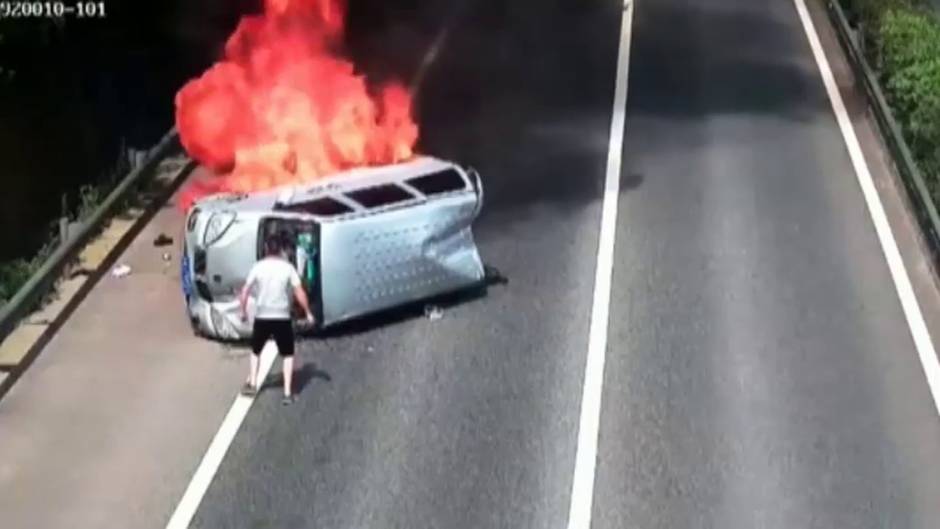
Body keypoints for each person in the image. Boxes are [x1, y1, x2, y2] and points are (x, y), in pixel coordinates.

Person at [239, 236, 314, 405]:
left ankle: (252, 384)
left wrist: (243, 311)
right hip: (282, 316)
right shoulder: (288, 268)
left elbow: (245, 291)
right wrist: (308, 312)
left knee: (256, 350)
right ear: (280, 250)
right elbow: (299, 292)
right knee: (287, 354)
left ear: (266, 249)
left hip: (263, 315)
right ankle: (287, 393)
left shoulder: (258, 267)